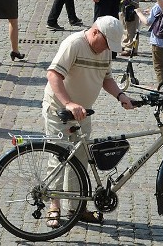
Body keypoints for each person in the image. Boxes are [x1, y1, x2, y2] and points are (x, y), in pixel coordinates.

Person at [42, 16, 132, 228]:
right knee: (59, 156)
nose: (107, 49)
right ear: (95, 33)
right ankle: (54, 206)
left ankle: (76, 207)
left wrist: (121, 96)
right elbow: (53, 74)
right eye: (106, 44)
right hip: (59, 110)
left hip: (83, 113)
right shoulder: (74, 44)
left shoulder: (106, 50)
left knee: (80, 160)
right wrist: (68, 103)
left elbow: (106, 78)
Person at [136, 0, 163, 87]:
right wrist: (150, 11)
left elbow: (147, 22)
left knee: (158, 66)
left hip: (157, 40)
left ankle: (162, 87)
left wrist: (138, 12)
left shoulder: (157, 6)